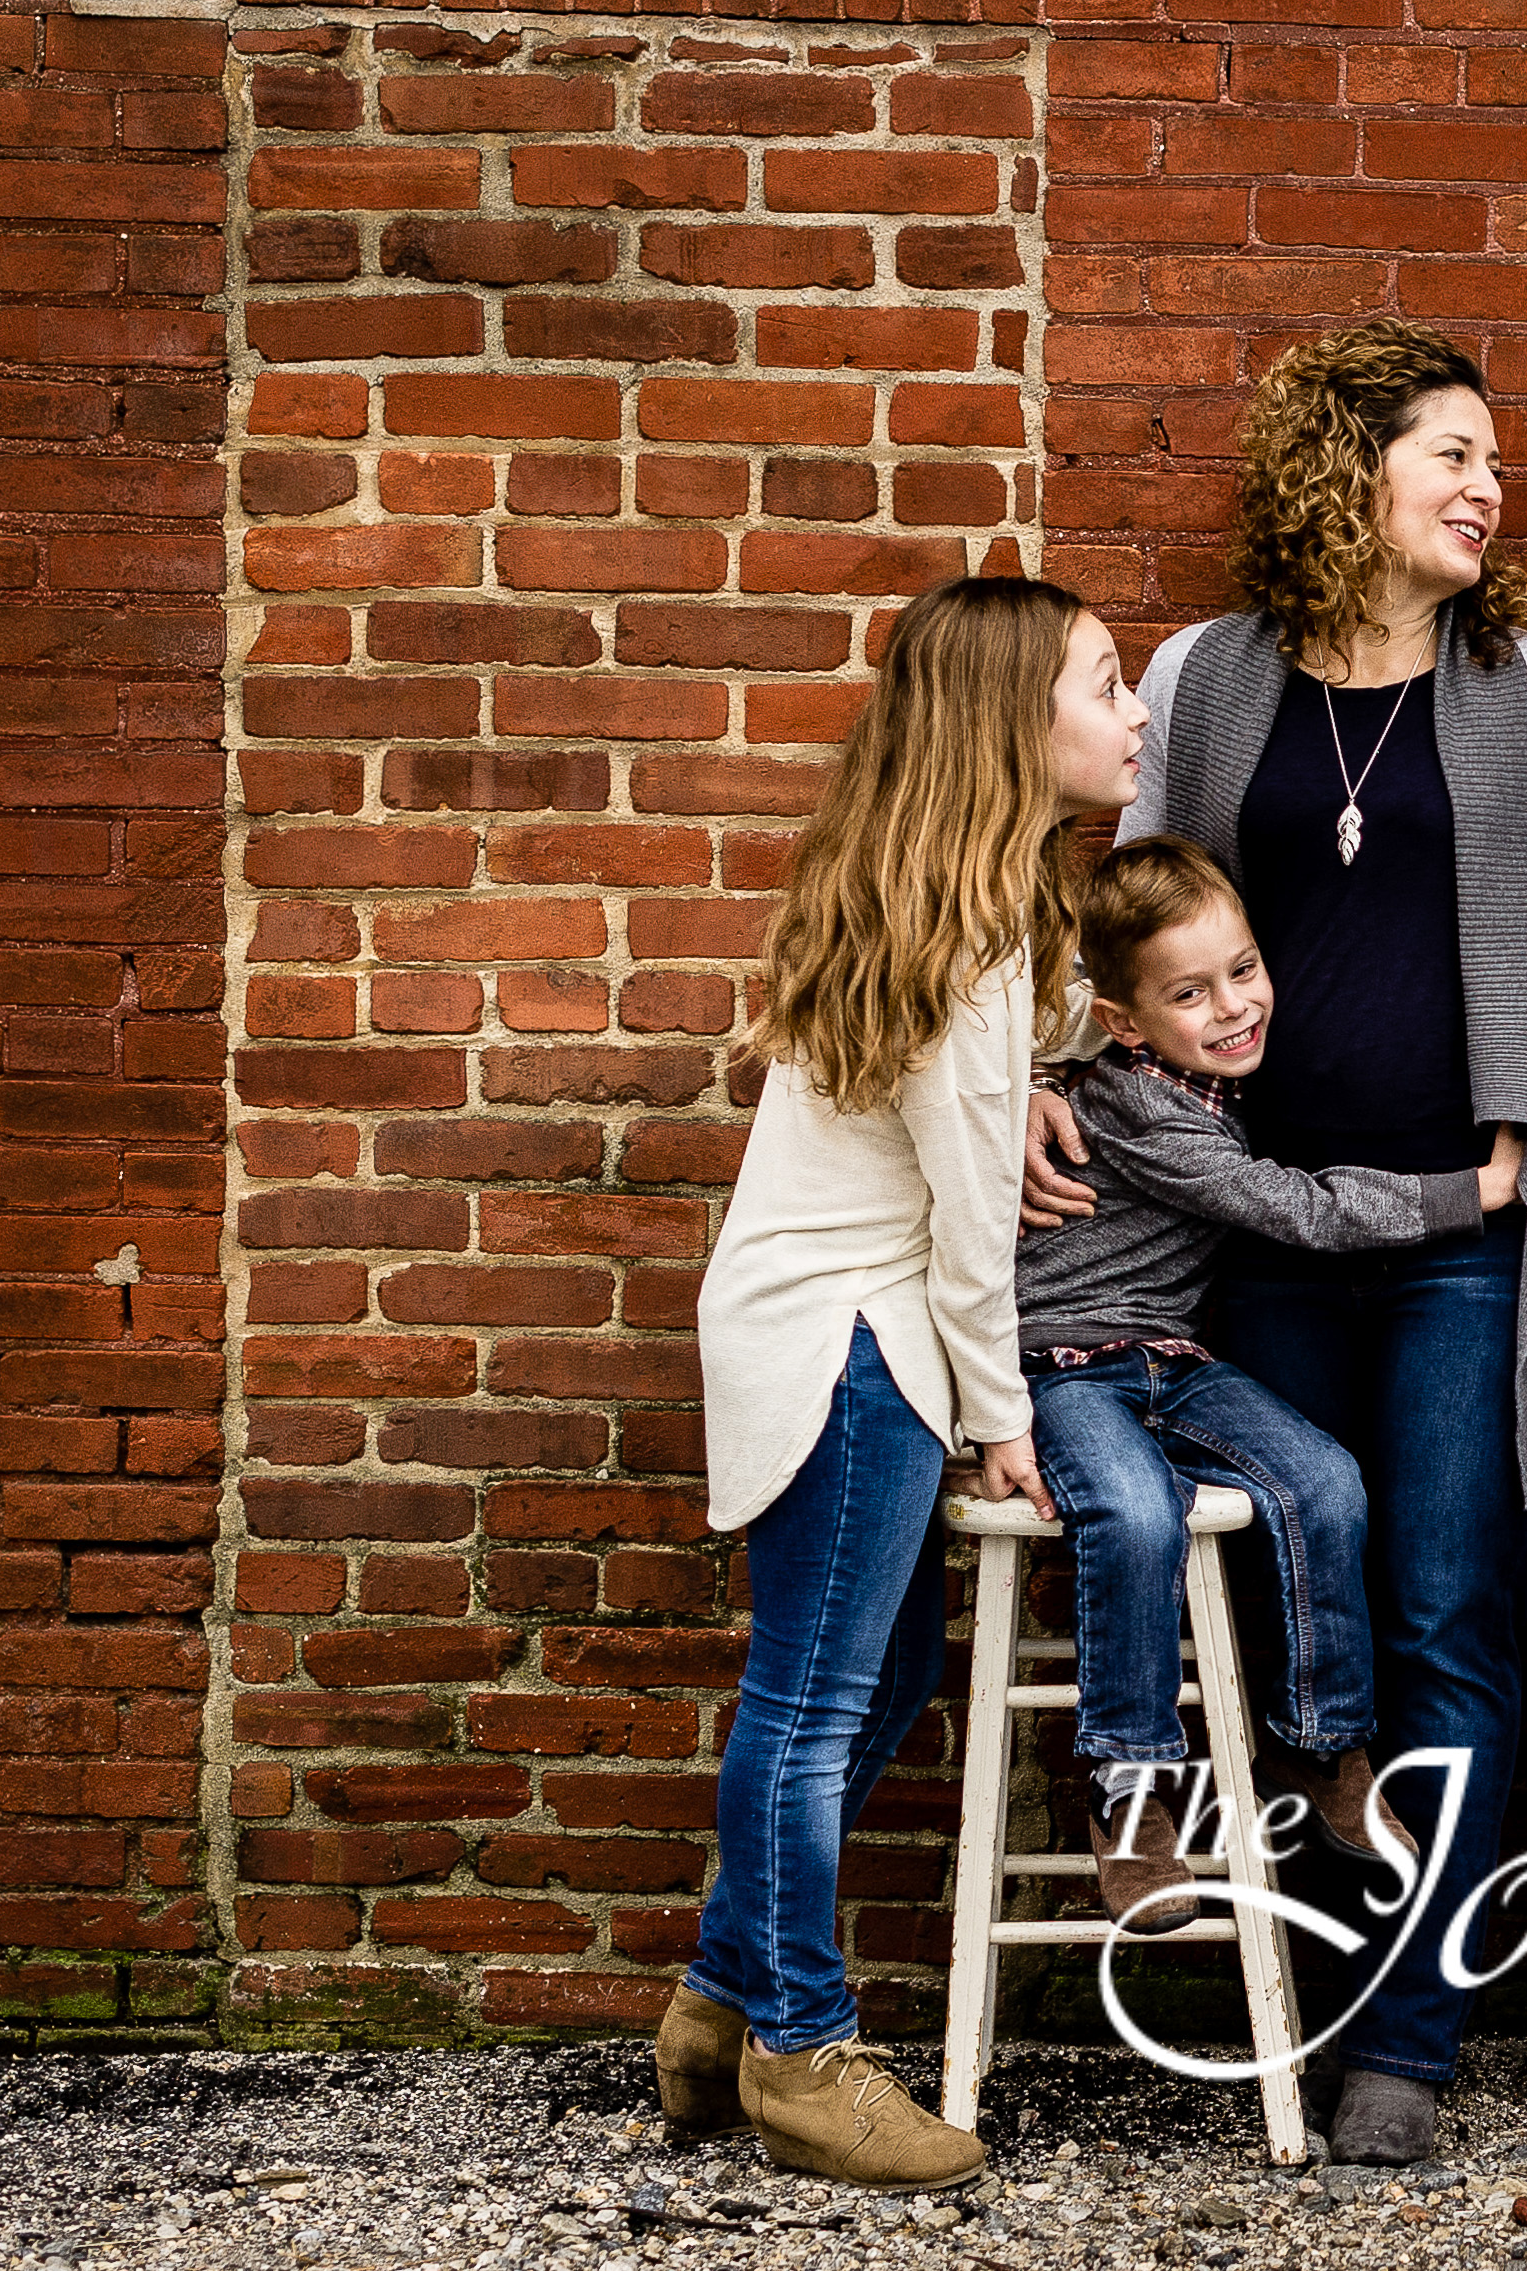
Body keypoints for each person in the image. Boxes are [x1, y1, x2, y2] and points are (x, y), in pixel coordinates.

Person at [1026, 317, 1527, 2166]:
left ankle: (1409, 2033)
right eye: (1451, 451)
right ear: (1342, 467)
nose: (1487, 484)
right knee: (1279, 1600)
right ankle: (1293, 1993)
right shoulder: (1207, 679)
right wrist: (1040, 1078)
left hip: (1469, 1224)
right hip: (1244, 1237)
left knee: (1451, 1610)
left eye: (1491, 457)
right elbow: (1120, 921)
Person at [663, 575, 1146, 2192]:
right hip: (854, 1343)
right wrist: (1004, 1424)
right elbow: (963, 1230)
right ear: (1014, 722)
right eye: (1104, 681)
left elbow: (993, 1080)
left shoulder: (946, 902)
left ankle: (717, 2008)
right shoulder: (969, 942)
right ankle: (800, 2055)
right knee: (811, 1706)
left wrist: (1040, 1071)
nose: (1135, 709)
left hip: (824, 1325)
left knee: (875, 1686)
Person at [1014, 835, 1513, 1925]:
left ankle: (1320, 1742)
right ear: (1124, 1022)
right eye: (1190, 993)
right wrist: (1472, 1189)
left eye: (1242, 970)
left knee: (1324, 1480)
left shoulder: (1201, 1085)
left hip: (1170, 1360)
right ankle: (1130, 1789)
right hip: (1063, 1370)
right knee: (1136, 1512)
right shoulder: (1138, 1106)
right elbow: (1301, 1209)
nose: (1233, 1005)